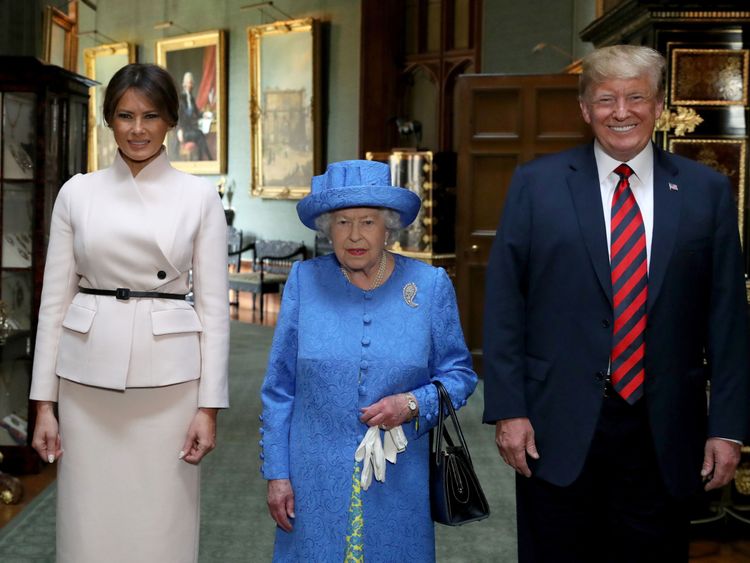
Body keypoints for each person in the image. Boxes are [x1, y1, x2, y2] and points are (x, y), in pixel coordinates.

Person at [483, 44, 750, 562]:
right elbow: (504, 305)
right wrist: (509, 409)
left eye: (636, 97)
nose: (621, 112)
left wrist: (728, 427)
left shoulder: (707, 191)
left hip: (666, 428)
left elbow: (728, 319)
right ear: (585, 109)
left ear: (659, 106)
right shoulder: (536, 186)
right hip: (555, 423)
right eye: (606, 99)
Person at [29, 63, 229, 563]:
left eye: (150, 116)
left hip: (169, 384)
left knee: (162, 521)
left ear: (170, 122)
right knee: (87, 521)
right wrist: (43, 405)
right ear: (108, 121)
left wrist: (208, 407)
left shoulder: (199, 197)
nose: (137, 129)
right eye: (124, 116)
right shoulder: (77, 192)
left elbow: (213, 309)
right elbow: (53, 303)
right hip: (85, 380)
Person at [260, 159, 477, 562]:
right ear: (328, 228)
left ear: (388, 228)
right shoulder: (304, 282)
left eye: (367, 222)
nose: (354, 235)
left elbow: (460, 375)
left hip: (400, 480)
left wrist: (413, 404)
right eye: (342, 222)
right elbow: (279, 388)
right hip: (314, 478)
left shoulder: (429, 286)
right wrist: (277, 473)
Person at [176, 71, 212, 161]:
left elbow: (196, 113)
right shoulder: (180, 98)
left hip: (190, 129)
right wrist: (179, 130)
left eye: (191, 83)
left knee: (200, 137)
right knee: (200, 134)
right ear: (184, 84)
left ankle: (201, 160)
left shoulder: (191, 98)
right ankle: (209, 159)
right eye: (188, 82)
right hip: (183, 131)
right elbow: (177, 115)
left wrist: (205, 115)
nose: (190, 85)